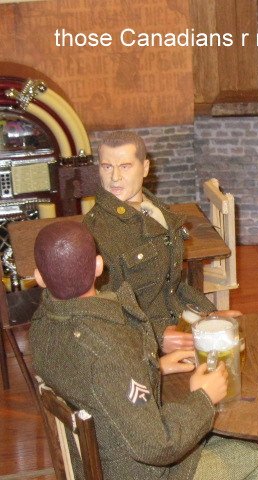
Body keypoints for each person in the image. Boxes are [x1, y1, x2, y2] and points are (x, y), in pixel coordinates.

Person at [29, 221, 258, 480]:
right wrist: (203, 397)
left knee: (231, 441)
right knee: (256, 459)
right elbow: (158, 446)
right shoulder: (107, 351)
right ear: (99, 266)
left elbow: (92, 383)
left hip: (102, 453)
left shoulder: (41, 325)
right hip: (139, 471)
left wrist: (152, 366)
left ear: (39, 277)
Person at [84, 131, 239, 353]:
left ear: (145, 168)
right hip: (137, 347)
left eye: (125, 166)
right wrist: (156, 336)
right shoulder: (94, 233)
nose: (115, 177)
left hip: (178, 325)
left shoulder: (158, 213)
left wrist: (208, 313)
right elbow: (100, 309)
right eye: (107, 166)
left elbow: (171, 285)